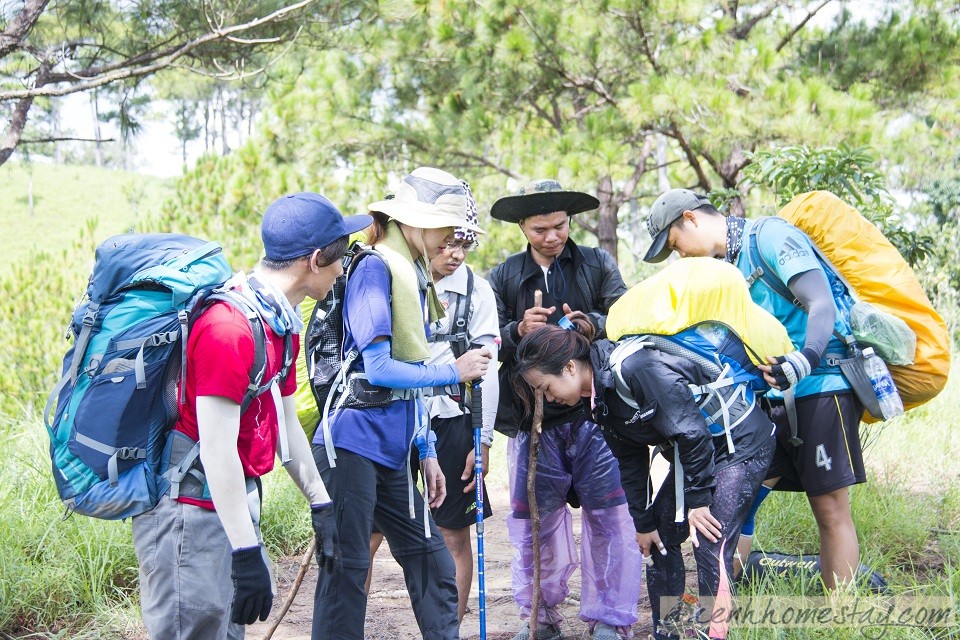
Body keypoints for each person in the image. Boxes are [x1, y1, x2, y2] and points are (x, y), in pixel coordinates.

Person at [132, 192, 370, 639]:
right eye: (339, 258)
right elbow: (217, 449)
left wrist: (320, 502)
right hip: (190, 515)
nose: (343, 271)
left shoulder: (279, 322)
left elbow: (282, 422)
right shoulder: (229, 329)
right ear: (316, 260)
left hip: (233, 504)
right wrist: (245, 550)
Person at [643, 188, 865, 590]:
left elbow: (821, 303)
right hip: (766, 399)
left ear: (691, 218)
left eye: (676, 245)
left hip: (821, 385)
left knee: (830, 508)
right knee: (740, 497)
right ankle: (725, 604)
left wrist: (806, 358)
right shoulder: (724, 266)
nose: (681, 256)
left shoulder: (770, 237)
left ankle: (842, 617)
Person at [310, 167, 493, 640]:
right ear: (414, 222)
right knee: (346, 570)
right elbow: (380, 370)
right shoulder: (374, 268)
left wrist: (426, 450)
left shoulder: (411, 274)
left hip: (391, 447)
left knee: (431, 559)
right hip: (350, 442)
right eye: (445, 232)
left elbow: (406, 381)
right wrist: (456, 370)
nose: (450, 244)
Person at [514, 315, 777, 640]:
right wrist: (643, 523)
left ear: (569, 368)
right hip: (695, 450)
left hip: (738, 442)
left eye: (546, 388)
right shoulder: (596, 398)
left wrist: (698, 501)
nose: (549, 398)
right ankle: (668, 633)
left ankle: (716, 633)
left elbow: (691, 432)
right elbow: (629, 458)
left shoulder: (635, 369)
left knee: (709, 542)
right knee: (660, 542)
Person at [488, 179, 642, 640]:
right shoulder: (504, 276)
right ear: (522, 227)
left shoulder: (597, 262)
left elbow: (629, 314)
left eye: (559, 226)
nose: (552, 237)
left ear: (570, 222)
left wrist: (590, 323)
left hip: (597, 418)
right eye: (540, 229)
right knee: (537, 525)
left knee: (611, 518)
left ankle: (610, 619)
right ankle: (539, 615)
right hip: (532, 422)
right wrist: (517, 329)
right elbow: (486, 340)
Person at [366, 181, 500, 624]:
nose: (456, 252)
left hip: (454, 419)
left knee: (451, 534)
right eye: (448, 241)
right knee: (370, 533)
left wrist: (483, 441)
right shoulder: (392, 276)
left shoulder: (477, 292)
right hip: (395, 416)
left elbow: (487, 367)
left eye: (465, 242)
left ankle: (449, 628)